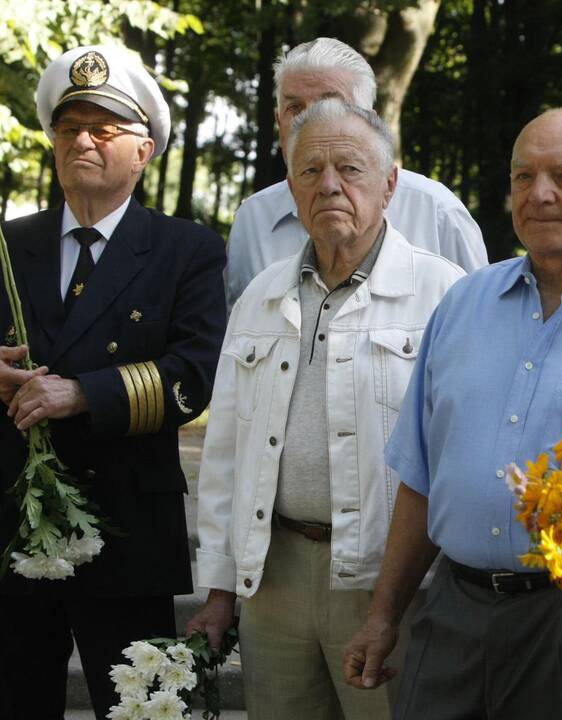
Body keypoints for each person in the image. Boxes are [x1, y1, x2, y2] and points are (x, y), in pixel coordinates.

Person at [340, 108, 562, 720]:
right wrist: (383, 616)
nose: (539, 195)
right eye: (522, 177)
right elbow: (422, 481)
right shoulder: (463, 305)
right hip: (452, 611)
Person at [187, 98, 464, 720]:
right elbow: (227, 448)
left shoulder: (446, 293)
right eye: (310, 171)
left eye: (351, 168)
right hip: (275, 575)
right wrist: (220, 584)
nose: (329, 184)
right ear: (291, 187)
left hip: (389, 586)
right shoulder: (261, 294)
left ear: (390, 183)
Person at [0, 45, 226, 718]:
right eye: (70, 129)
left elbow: (195, 372)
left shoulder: (187, 249)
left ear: (144, 150)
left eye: (103, 130)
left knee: (139, 708)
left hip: (129, 527)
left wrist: (80, 394)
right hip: (14, 524)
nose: (83, 142)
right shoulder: (9, 244)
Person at [225, 37, 486, 308]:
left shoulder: (436, 212)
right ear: (279, 123)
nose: (310, 122)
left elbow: (480, 321)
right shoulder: (253, 220)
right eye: (294, 108)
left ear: (370, 121)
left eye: (331, 105)